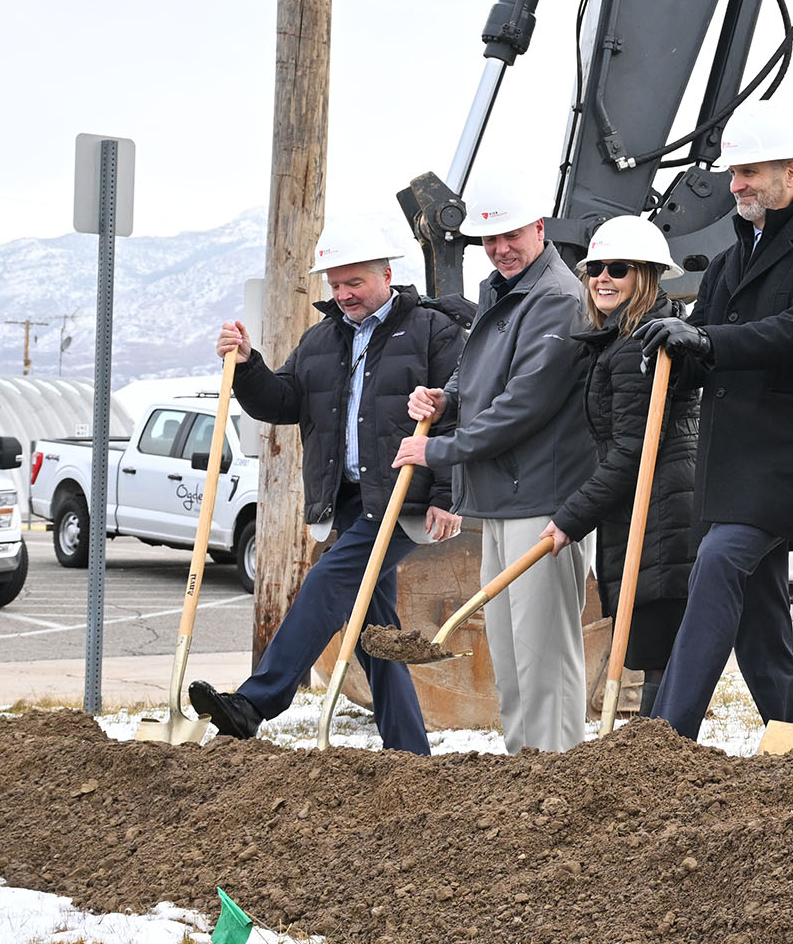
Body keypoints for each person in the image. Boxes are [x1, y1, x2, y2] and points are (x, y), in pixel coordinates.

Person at [633, 109, 793, 743]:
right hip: (729, 461)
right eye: (735, 173)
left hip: (788, 456)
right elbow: (704, 353)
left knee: (717, 564)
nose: (737, 185)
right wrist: (667, 357)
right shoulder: (731, 261)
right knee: (758, 608)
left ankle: (666, 735)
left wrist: (704, 338)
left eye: (750, 172)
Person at [188, 221, 465, 752]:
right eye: (335, 286)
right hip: (347, 501)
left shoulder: (432, 330)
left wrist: (446, 494)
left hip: (402, 495)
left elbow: (458, 412)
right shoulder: (321, 338)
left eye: (354, 284)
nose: (343, 296)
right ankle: (410, 752)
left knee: (327, 581)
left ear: (386, 274)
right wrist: (248, 367)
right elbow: (284, 403)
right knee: (370, 627)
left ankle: (256, 702)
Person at [397, 191, 595, 754]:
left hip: (543, 498)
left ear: (539, 228)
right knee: (511, 648)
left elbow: (525, 403)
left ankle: (556, 777)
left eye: (511, 235)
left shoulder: (557, 298)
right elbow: (475, 373)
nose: (500, 249)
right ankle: (522, 770)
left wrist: (439, 450)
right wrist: (446, 399)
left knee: (544, 654)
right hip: (501, 494)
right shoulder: (502, 291)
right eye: (488, 239)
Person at [547, 214, 700, 721]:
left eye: (618, 268)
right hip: (638, 512)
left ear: (648, 278)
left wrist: (573, 517)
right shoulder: (616, 342)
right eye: (594, 270)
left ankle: (663, 764)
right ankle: (657, 761)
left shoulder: (641, 346)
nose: (602, 279)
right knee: (653, 649)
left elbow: (633, 452)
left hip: (659, 516)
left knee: (658, 650)